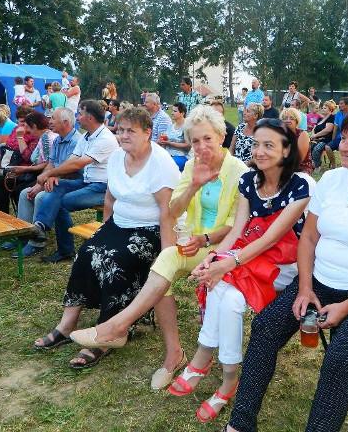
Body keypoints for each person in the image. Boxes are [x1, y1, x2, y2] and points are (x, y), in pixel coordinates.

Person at [225, 107, 348, 432]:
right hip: (319, 282)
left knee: (340, 357)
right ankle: (240, 424)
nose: (343, 146)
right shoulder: (331, 180)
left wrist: (346, 307)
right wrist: (304, 288)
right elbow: (309, 238)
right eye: (343, 138)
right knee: (265, 328)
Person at [69, 106, 248, 389]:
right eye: (195, 141)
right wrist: (194, 186)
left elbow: (235, 224)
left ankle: (118, 327)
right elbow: (173, 211)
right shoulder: (192, 165)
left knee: (164, 262)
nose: (201, 146)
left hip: (223, 247)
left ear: (221, 136)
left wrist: (205, 240)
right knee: (164, 267)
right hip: (192, 242)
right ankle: (172, 354)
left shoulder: (239, 172)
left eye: (207, 139)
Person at [170, 119, 315, 423]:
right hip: (249, 254)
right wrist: (216, 257)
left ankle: (210, 366)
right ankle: (227, 375)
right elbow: (238, 231)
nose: (259, 151)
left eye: (269, 145)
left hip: (283, 264)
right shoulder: (249, 181)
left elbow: (271, 239)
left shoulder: (300, 186)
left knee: (227, 291)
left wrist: (228, 262)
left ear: (286, 150)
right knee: (223, 290)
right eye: (257, 144)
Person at [32, 107, 180, 368]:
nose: (123, 135)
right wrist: (104, 230)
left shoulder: (160, 163)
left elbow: (167, 213)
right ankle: (67, 324)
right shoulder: (117, 157)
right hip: (118, 223)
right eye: (120, 130)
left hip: (150, 230)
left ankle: (108, 333)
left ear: (148, 132)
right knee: (86, 252)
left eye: (131, 131)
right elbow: (110, 198)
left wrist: (168, 256)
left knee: (115, 261)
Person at [29, 100, 119, 263]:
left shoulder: (105, 138)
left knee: (62, 202)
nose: (77, 118)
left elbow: (79, 163)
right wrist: (54, 175)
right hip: (88, 182)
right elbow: (72, 159)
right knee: (57, 187)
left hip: (103, 188)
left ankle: (65, 250)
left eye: (80, 114)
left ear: (90, 117)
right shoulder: (86, 136)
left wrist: (50, 173)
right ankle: (40, 226)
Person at [0, 107, 82, 253]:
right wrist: (40, 184)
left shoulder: (76, 141)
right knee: (25, 193)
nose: (50, 121)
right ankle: (23, 235)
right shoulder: (58, 139)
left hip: (71, 182)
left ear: (65, 122)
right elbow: (50, 164)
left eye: (53, 118)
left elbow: (70, 169)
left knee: (40, 197)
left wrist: (44, 183)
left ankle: (37, 241)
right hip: (55, 180)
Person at [0, 109, 46, 214]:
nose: (22, 124)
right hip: (8, 165)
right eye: (20, 121)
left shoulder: (34, 135)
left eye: (25, 122)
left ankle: (3, 217)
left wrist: (20, 137)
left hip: (23, 169)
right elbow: (6, 147)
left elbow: (27, 157)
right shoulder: (16, 129)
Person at [322, 97, 348, 169]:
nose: (339, 105)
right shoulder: (338, 114)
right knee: (327, 147)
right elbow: (335, 128)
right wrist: (333, 140)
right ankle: (333, 165)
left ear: (347, 105)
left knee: (342, 148)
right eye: (339, 103)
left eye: (341, 104)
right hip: (340, 137)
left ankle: (347, 165)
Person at [159, 102, 191, 171]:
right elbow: (165, 142)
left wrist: (169, 143)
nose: (172, 113)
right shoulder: (171, 126)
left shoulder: (186, 127)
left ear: (182, 113)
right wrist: (162, 142)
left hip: (181, 156)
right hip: (168, 155)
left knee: (168, 166)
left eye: (175, 111)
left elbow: (188, 145)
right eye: (172, 111)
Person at [281, 108, 313, 175]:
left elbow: (299, 160)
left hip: (301, 168)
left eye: (291, 118)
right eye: (285, 118)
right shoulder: (279, 134)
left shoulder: (302, 134)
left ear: (297, 121)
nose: (288, 120)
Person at [310, 100, 337, 170]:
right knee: (308, 146)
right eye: (322, 108)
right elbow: (314, 128)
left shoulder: (331, 117)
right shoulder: (320, 118)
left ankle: (317, 166)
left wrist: (315, 135)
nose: (322, 109)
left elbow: (328, 130)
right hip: (316, 138)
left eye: (325, 108)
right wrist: (313, 135)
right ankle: (312, 163)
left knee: (316, 149)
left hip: (325, 139)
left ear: (330, 110)